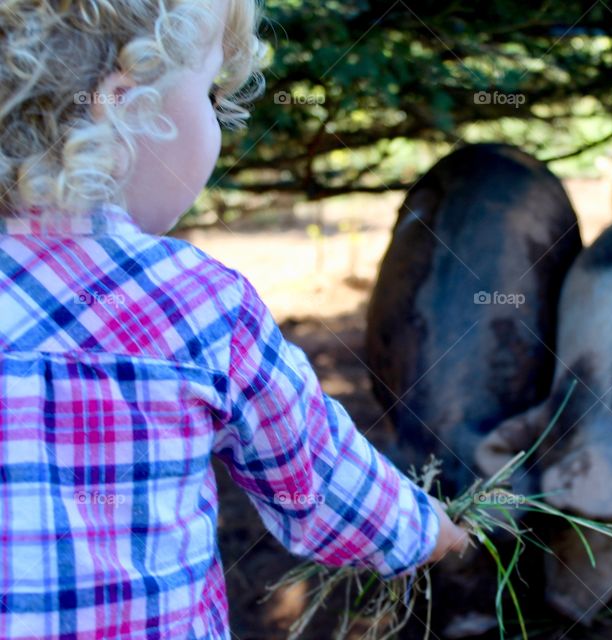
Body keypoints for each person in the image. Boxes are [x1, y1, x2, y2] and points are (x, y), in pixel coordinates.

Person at [0, 1, 469, 637]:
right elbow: (317, 481)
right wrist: (423, 529)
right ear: (124, 107)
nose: (224, 125)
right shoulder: (199, 304)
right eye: (214, 96)